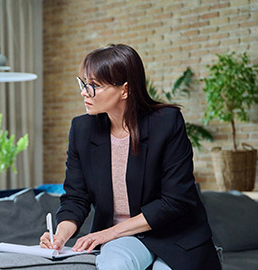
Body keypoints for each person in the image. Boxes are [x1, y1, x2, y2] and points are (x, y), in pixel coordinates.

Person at [39, 44, 221, 270]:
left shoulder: (166, 123)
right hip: (123, 240)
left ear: (125, 90)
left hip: (176, 236)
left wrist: (108, 233)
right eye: (84, 83)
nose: (84, 92)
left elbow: (176, 201)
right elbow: (76, 197)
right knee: (115, 264)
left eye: (94, 86)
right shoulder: (82, 129)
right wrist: (61, 235)